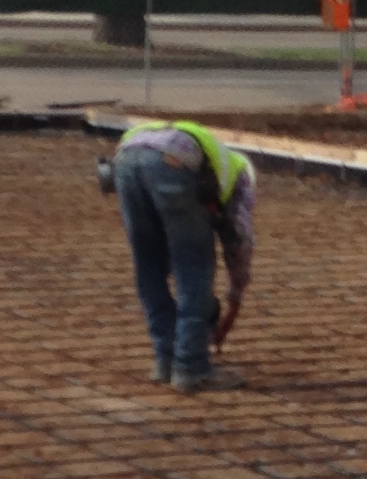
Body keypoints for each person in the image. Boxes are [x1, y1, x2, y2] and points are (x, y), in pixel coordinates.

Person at [105, 119, 255, 392]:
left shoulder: (216, 160)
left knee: (148, 264)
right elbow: (239, 240)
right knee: (194, 268)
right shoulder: (240, 177)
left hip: (125, 159)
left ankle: (165, 360)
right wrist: (235, 297)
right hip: (173, 162)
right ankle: (191, 366)